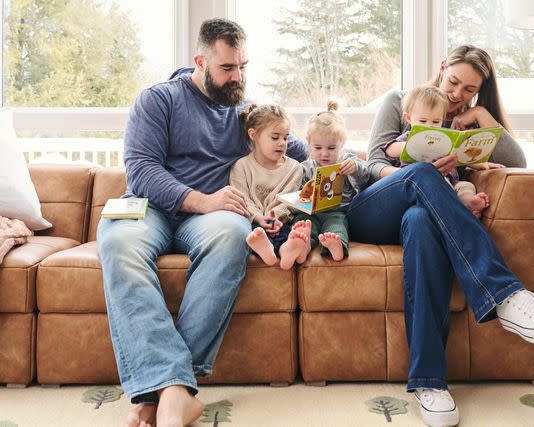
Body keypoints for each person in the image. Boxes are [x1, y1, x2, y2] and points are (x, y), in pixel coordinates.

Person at [347, 45, 534, 427]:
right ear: (441, 68)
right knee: (421, 176)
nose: (457, 93)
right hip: (373, 209)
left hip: (424, 217)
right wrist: (421, 172)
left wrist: (482, 116)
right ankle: (505, 294)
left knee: (420, 222)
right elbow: (372, 165)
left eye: (469, 90)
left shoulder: (468, 119)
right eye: (453, 81)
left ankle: (429, 384)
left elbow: (518, 162)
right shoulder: (401, 101)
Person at [97, 19, 303, 427]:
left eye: (243, 66)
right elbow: (140, 169)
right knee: (118, 245)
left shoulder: (246, 112)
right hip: (151, 207)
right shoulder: (158, 100)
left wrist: (354, 162)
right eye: (227, 68)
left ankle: (164, 393)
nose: (237, 77)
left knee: (233, 233)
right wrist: (202, 200)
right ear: (200, 61)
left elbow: (296, 145)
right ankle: (177, 389)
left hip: (212, 219)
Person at [384, 84, 503, 217]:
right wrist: (411, 145)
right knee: (440, 186)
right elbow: (389, 149)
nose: (429, 126)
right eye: (423, 121)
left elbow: (459, 156)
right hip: (422, 185)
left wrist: (481, 164)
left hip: (452, 182)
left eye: (436, 121)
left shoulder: (445, 138)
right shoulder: (409, 137)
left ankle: (467, 202)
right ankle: (456, 209)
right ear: (408, 118)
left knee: (466, 186)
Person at [229, 103, 311, 270]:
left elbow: (289, 202)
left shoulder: (295, 168)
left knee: (293, 230)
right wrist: (259, 218)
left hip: (281, 222)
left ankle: (286, 249)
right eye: (275, 137)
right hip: (253, 221)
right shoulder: (241, 166)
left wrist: (275, 219)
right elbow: (242, 199)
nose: (282, 143)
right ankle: (265, 248)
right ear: (254, 135)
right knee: (248, 233)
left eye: (286, 137)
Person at [290, 100, 369, 261]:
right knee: (302, 224)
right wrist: (302, 198)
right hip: (310, 213)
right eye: (318, 148)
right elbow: (295, 195)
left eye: (331, 148)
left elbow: (365, 177)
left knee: (337, 226)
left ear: (343, 143)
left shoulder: (347, 162)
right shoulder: (304, 167)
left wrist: (354, 168)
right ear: (309, 143)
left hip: (337, 212)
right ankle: (302, 246)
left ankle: (336, 245)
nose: (324, 154)